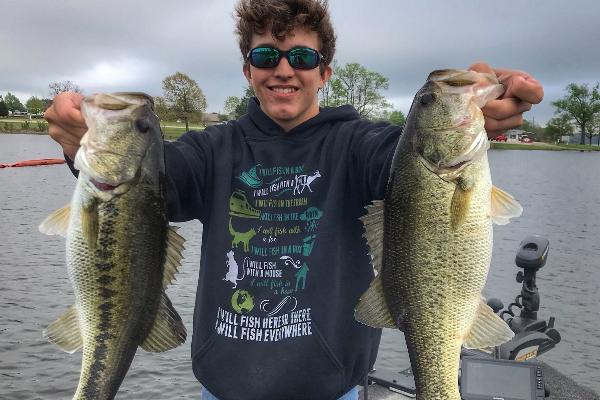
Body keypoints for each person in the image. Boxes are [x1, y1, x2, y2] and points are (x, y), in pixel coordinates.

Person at [44, 1, 544, 399]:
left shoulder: (359, 145)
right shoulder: (211, 149)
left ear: (324, 72)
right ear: (247, 70)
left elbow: (406, 162)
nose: (284, 69)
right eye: (266, 56)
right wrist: (78, 145)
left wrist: (472, 113)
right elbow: (142, 190)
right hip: (221, 390)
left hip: (333, 390)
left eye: (302, 57)